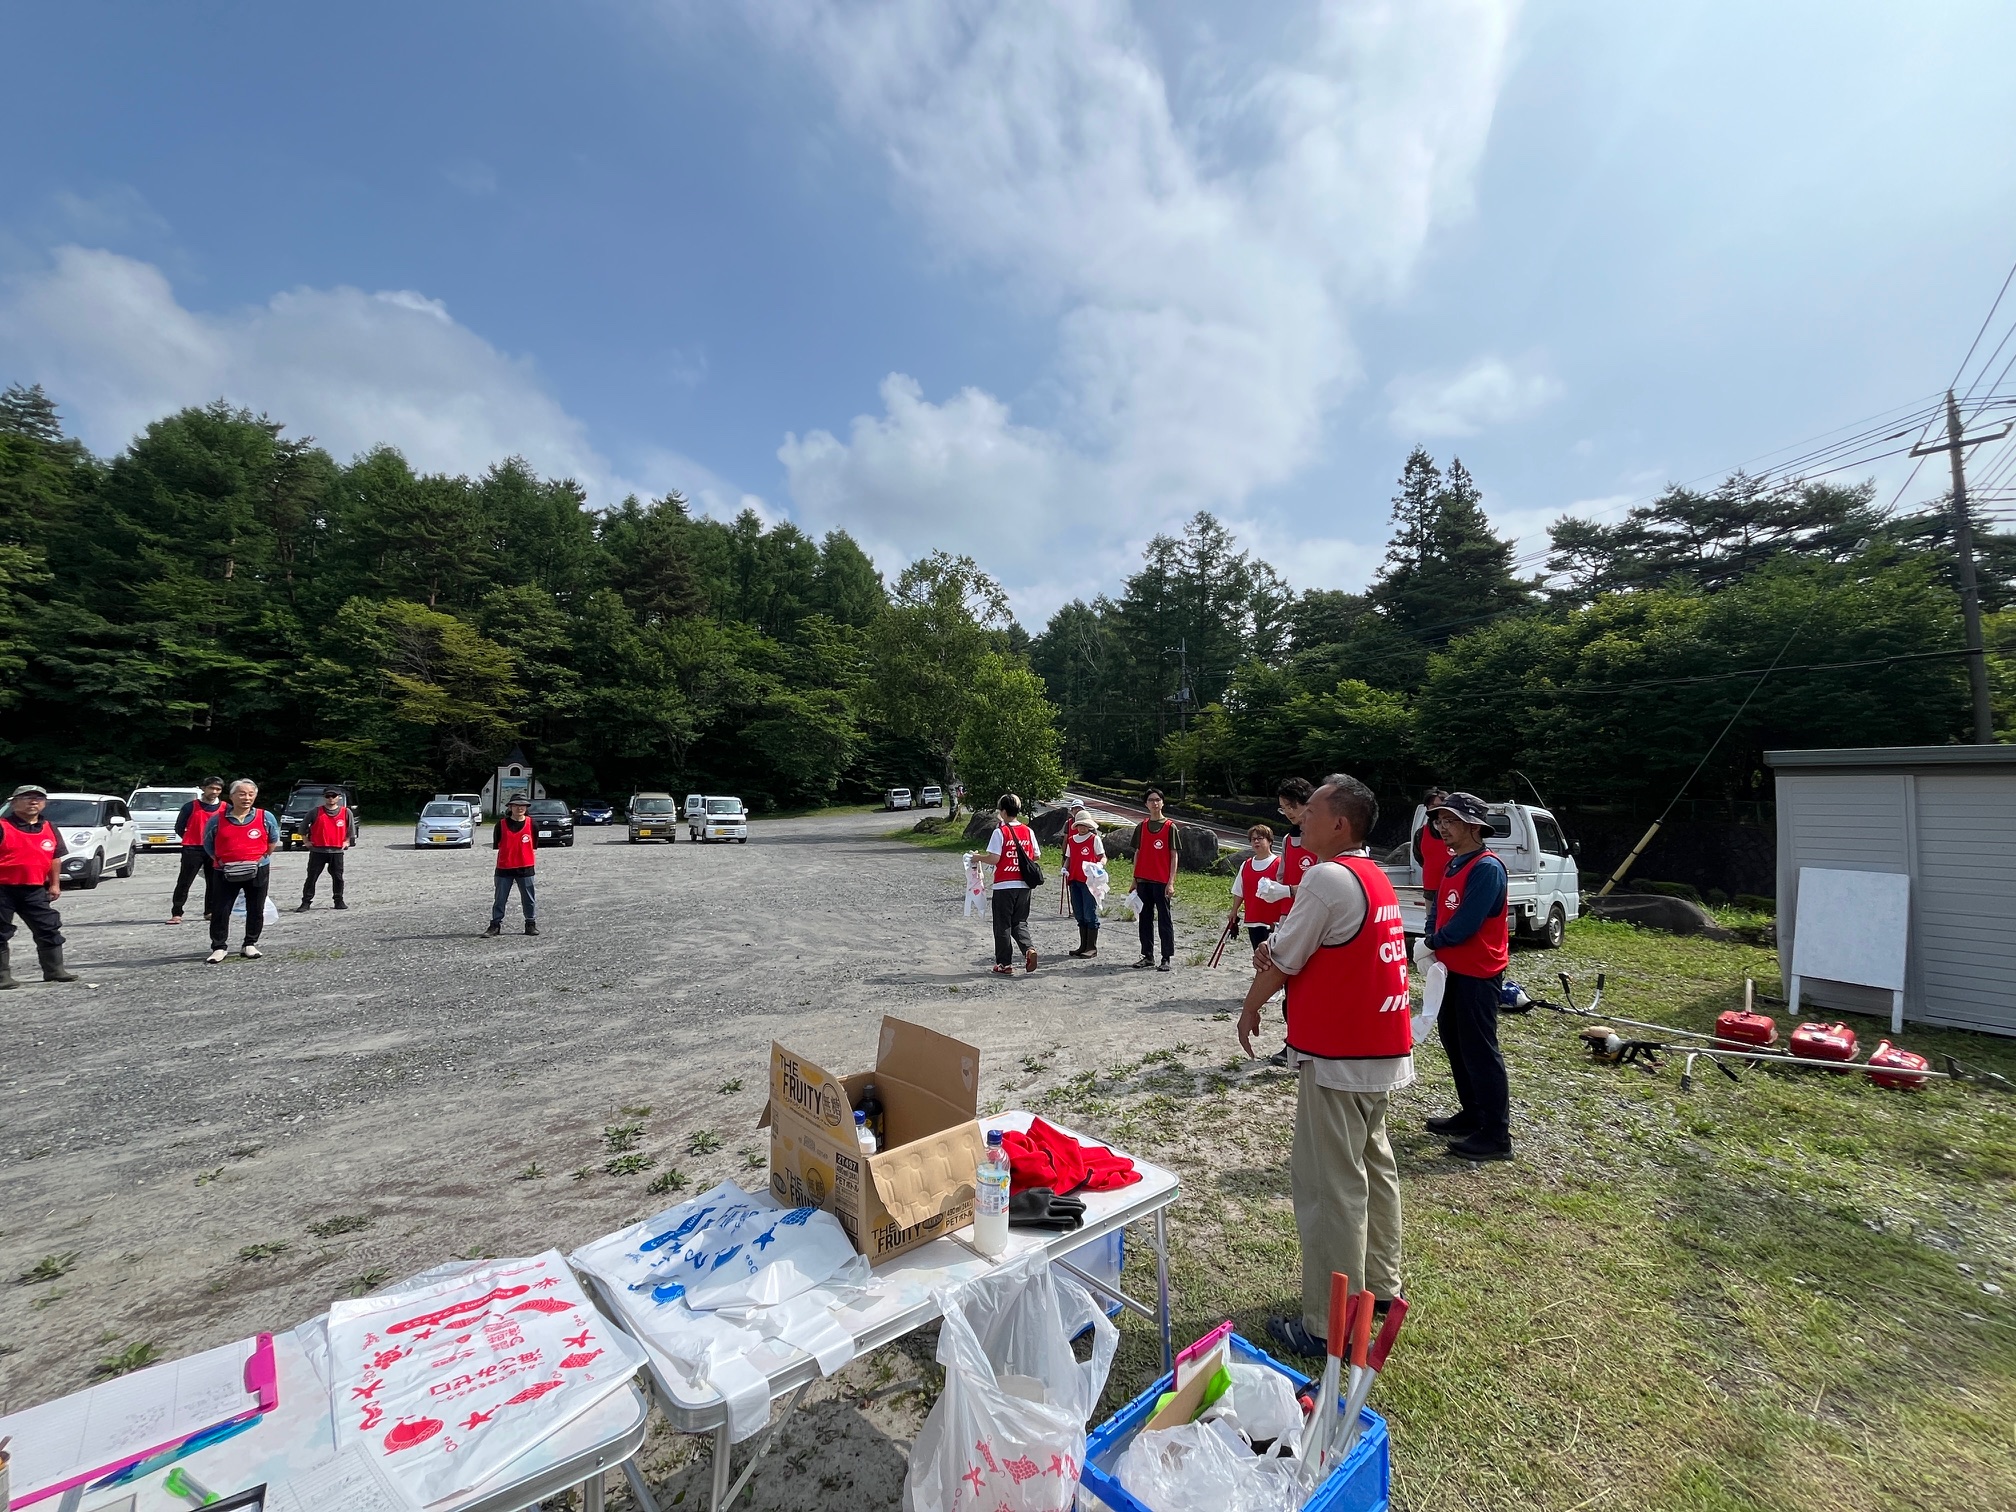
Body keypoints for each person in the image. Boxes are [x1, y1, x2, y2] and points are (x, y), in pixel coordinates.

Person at [1236, 773, 1411, 1358]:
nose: (1300, 818)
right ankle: (1381, 1286)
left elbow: (1286, 956)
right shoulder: (1374, 877)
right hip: (1382, 1045)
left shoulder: (1327, 877)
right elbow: (1328, 948)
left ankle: (1328, 1323)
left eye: (1310, 810)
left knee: (1329, 1186)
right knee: (1373, 1166)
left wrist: (1250, 1005)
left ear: (1340, 823)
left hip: (1341, 1054)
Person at [1420, 791, 1512, 1161]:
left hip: (1478, 971)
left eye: (1450, 821)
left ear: (1473, 825)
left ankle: (1496, 1134)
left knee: (1479, 1049)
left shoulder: (1487, 867)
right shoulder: (1454, 863)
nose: (1442, 827)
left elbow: (1466, 924)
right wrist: (1429, 938)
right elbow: (1438, 910)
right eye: (1439, 821)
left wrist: (1433, 943)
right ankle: (1472, 1113)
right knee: (1455, 1043)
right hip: (1450, 969)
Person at [0, 783, 79, 987]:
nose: (33, 801)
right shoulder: (2, 825)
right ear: (14, 802)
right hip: (3, 889)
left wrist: (55, 884)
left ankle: (54, 970)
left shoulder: (49, 827)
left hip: (34, 888)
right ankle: (2, 976)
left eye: (38, 798)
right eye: (27, 797)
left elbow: (54, 858)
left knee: (49, 927)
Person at [203, 779, 278, 963]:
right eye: (242, 794)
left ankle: (250, 943)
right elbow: (208, 844)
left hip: (257, 868)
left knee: (256, 907)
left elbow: (272, 841)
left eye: (251, 794)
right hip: (224, 870)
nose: (247, 798)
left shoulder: (265, 816)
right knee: (221, 909)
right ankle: (219, 947)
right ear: (232, 796)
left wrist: (258, 859)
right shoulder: (217, 819)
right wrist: (223, 861)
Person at [976, 793, 1040, 975]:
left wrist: (978, 857)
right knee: (1020, 922)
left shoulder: (1000, 831)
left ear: (1003, 811)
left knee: (1002, 924)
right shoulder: (1028, 831)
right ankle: (1029, 949)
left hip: (1005, 884)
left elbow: (995, 858)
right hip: (1024, 886)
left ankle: (1004, 964)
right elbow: (1036, 855)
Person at [1128, 789, 1179, 971]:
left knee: (1164, 919)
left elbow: (1174, 856)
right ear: (1146, 804)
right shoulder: (1141, 826)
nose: (1155, 803)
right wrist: (1135, 879)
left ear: (1162, 803)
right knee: (1145, 918)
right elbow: (1138, 853)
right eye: (1151, 800)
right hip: (1143, 880)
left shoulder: (1170, 827)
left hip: (1161, 881)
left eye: (1158, 800)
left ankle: (1166, 957)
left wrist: (1170, 882)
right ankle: (1147, 955)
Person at [167, 775, 226, 925]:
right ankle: (177, 912)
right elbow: (179, 827)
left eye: (218, 789)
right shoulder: (190, 806)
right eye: (211, 788)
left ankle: (210, 911)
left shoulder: (225, 808)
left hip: (214, 850)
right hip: (192, 848)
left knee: (214, 882)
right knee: (185, 881)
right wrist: (190, 838)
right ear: (203, 788)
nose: (214, 791)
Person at [1228, 823, 1289, 958]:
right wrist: (1234, 911)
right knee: (1260, 956)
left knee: (1275, 958)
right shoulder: (1247, 864)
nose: (1256, 841)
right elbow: (1239, 890)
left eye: (1260, 838)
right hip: (1253, 919)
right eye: (1253, 839)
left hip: (1275, 921)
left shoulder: (1279, 864)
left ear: (1270, 841)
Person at [486, 794, 539, 936]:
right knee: (500, 899)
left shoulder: (532, 824)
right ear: (510, 807)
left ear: (526, 807)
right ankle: (495, 925)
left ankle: (530, 924)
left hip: (525, 867)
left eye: (523, 805)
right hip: (504, 867)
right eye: (516, 805)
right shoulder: (501, 824)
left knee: (528, 898)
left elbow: (534, 845)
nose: (520, 807)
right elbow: (498, 843)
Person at [297, 788, 354, 911]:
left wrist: (347, 841)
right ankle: (306, 902)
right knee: (312, 877)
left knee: (338, 877)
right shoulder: (315, 812)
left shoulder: (346, 812)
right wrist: (306, 841)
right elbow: (302, 828)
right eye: (328, 796)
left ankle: (339, 900)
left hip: (337, 851)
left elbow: (350, 830)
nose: (331, 798)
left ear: (338, 797)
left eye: (333, 796)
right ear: (324, 797)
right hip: (318, 851)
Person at [1063, 808, 1105, 959]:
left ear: (1089, 826)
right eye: (1079, 825)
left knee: (1089, 912)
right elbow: (1068, 857)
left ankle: (1091, 947)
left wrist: (1099, 865)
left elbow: (1102, 856)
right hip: (1074, 879)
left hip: (1089, 881)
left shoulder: (1094, 839)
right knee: (1079, 912)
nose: (1082, 828)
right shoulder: (1071, 840)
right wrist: (1065, 867)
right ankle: (1083, 945)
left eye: (1085, 825)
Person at [1275, 777, 1318, 897]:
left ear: (1307, 803)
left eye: (1290, 806)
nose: (1288, 813)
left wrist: (1289, 891)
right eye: (1283, 809)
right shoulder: (1288, 839)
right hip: (1289, 909)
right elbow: (1281, 876)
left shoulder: (1324, 837)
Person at [1412, 787, 1452, 896]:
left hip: (1454, 887)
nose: (1436, 810)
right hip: (1431, 887)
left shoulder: (1458, 831)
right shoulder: (1421, 833)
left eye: (1441, 806)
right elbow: (1419, 856)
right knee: (1431, 914)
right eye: (1433, 806)